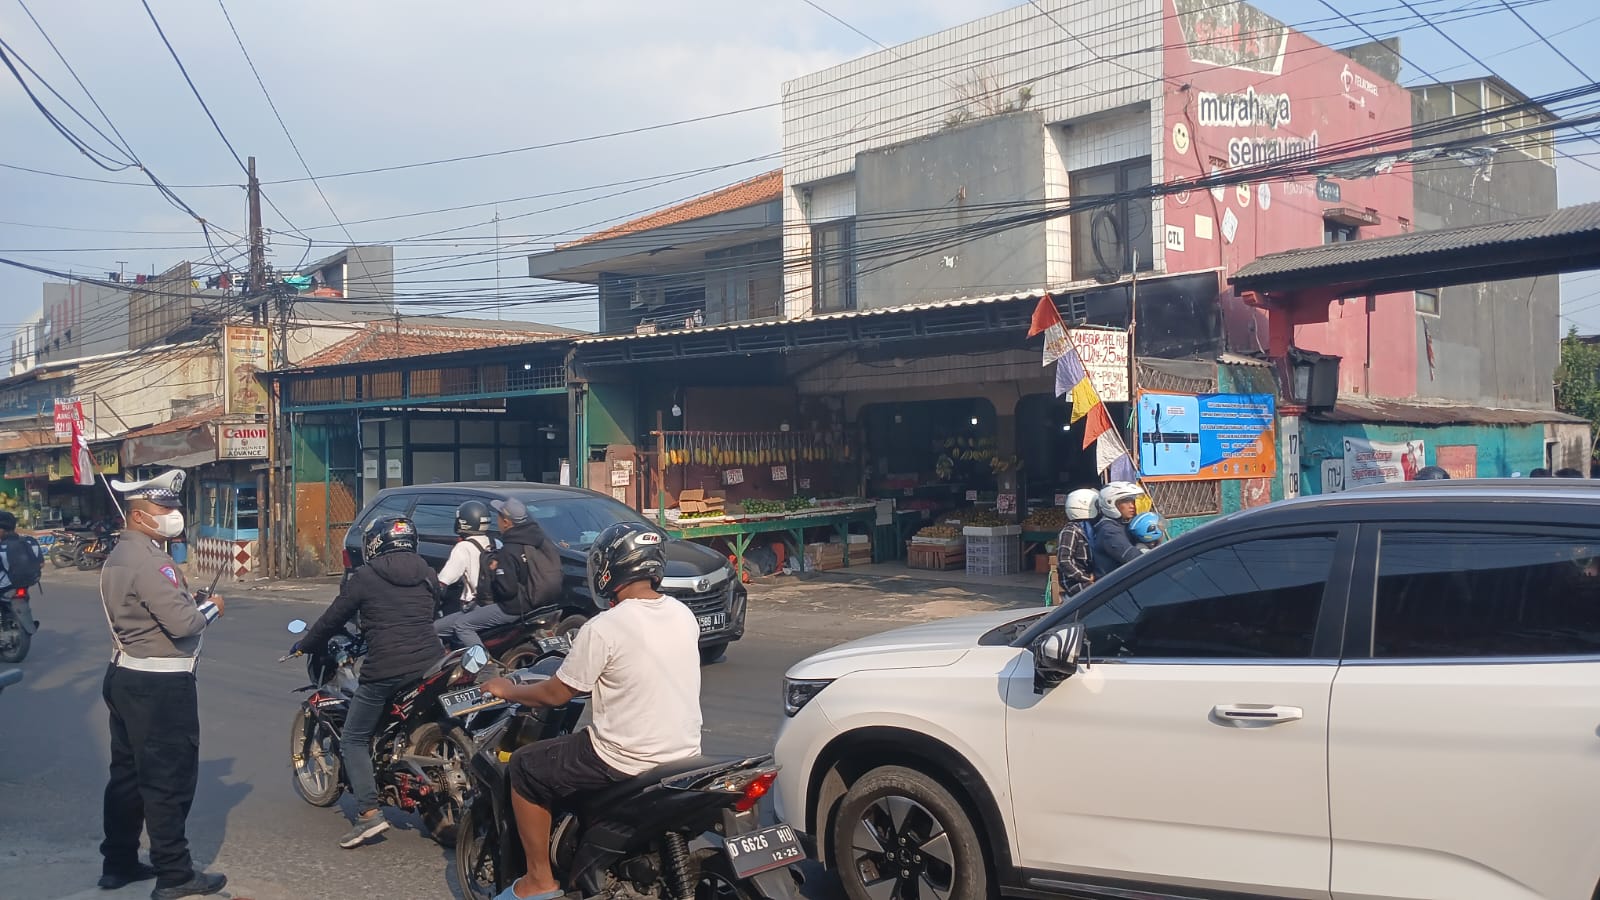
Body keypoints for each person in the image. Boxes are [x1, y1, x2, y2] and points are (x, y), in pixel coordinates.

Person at [479, 522, 702, 900]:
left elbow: (556, 694)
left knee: (525, 767)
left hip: (623, 757)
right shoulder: (683, 614)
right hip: (684, 752)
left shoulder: (605, 627)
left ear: (610, 567)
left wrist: (508, 689)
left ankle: (538, 880)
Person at [97, 470, 228, 899]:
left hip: (126, 674)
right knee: (167, 782)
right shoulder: (151, 561)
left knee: (128, 777)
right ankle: (174, 874)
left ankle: (117, 863)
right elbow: (184, 622)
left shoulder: (119, 556)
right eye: (164, 508)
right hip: (159, 686)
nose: (173, 515)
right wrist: (211, 607)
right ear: (138, 516)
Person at [295, 516, 444, 850]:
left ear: (376, 543)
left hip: (387, 669)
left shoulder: (365, 576)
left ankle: (369, 814)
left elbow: (332, 619)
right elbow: (434, 610)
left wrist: (304, 644)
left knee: (353, 738)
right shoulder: (427, 572)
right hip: (432, 662)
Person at [432, 500, 508, 648]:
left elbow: (444, 581)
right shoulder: (497, 543)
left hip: (475, 607)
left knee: (434, 630)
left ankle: (480, 663)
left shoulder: (464, 547)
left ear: (463, 522)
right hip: (497, 604)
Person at [1092, 482, 1145, 575]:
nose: (1132, 506)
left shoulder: (1123, 524)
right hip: (1114, 585)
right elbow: (1132, 557)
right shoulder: (1109, 531)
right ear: (1110, 503)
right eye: (1125, 501)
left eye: (1133, 501)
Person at [1055, 489, 1099, 600]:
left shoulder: (1090, 529)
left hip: (1089, 581)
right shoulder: (1071, 530)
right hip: (1077, 585)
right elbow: (1064, 561)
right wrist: (1086, 578)